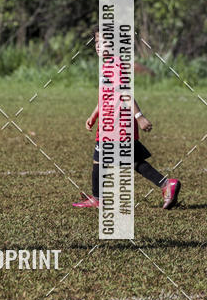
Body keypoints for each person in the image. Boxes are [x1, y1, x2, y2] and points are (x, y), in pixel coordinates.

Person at [73, 27, 181, 209]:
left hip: (116, 123)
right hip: (111, 122)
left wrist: (140, 117)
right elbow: (106, 97)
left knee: (100, 158)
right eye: (97, 42)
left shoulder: (115, 66)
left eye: (104, 42)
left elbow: (125, 93)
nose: (99, 46)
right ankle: (166, 184)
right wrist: (94, 115)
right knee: (130, 159)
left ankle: (98, 198)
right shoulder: (107, 65)